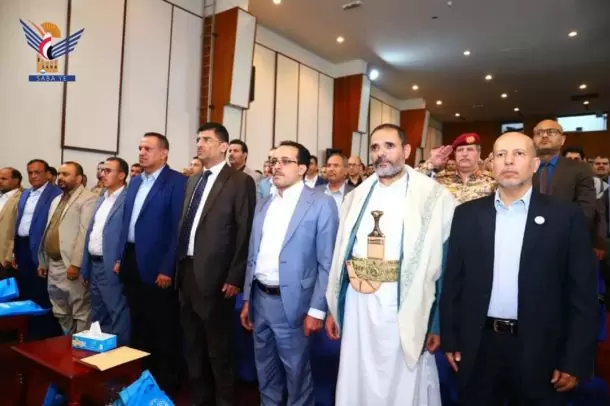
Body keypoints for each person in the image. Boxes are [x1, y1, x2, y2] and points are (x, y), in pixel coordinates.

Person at [440, 132, 599, 405]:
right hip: (479, 347)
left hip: (541, 349)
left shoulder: (565, 216)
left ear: (535, 164)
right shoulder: (467, 215)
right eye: (501, 154)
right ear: (491, 164)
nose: (509, 161)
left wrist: (575, 359)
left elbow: (582, 295)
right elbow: (454, 282)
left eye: (519, 154)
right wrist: (451, 339)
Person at [326, 123, 456, 405]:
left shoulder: (433, 197)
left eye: (389, 146)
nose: (380, 153)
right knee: (357, 375)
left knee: (402, 380)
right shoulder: (356, 197)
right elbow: (340, 257)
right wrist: (334, 308)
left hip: (406, 305)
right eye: (375, 147)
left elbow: (443, 265)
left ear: (406, 150)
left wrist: (435, 322)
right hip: (359, 307)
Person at [241, 141, 339, 405]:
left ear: (303, 169)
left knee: (297, 373)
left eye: (285, 161)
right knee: (265, 370)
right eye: (274, 161)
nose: (277, 167)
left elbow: (327, 262)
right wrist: (248, 299)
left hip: (295, 305)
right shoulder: (264, 203)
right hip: (260, 299)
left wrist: (317, 310)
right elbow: (253, 254)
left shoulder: (321, 204)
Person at [177, 123, 256, 406]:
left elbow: (244, 231)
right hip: (187, 272)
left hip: (217, 277)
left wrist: (235, 276)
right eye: (198, 139)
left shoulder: (239, 181)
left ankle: (224, 400)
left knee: (218, 348)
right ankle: (200, 398)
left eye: (207, 140)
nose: (199, 144)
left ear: (223, 146)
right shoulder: (193, 181)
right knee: (193, 345)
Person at [117, 132, 187, 394]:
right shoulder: (135, 182)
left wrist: (167, 268)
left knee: (163, 327)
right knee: (138, 323)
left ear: (164, 153)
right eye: (140, 148)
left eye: (148, 148)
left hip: (159, 266)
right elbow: (127, 222)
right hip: (132, 260)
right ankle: (141, 379)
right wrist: (120, 257)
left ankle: (166, 382)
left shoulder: (176, 182)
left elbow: (177, 229)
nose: (142, 152)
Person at [38, 162, 97, 334]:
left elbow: (84, 234)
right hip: (53, 263)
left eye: (66, 174)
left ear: (79, 178)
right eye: (59, 174)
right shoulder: (57, 199)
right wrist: (43, 261)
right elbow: (49, 229)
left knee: (80, 309)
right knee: (59, 310)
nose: (61, 178)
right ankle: (69, 340)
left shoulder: (88, 199)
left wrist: (76, 264)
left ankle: (80, 345)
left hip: (71, 264)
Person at [81, 157, 130, 345]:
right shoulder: (102, 197)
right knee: (98, 312)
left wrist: (120, 260)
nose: (102, 174)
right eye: (102, 170)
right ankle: (102, 351)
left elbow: (127, 234)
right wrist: (86, 266)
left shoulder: (127, 199)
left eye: (108, 171)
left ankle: (120, 355)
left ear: (122, 175)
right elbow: (92, 232)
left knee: (117, 312)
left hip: (111, 265)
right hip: (94, 264)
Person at [14, 159, 63, 338]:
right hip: (22, 246)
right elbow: (19, 221)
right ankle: (26, 331)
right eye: (30, 172)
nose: (33, 176)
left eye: (37, 172)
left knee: (41, 292)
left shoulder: (56, 194)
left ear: (47, 174)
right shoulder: (26, 194)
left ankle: (43, 334)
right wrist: (14, 251)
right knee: (25, 289)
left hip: (41, 249)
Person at [532, 119, 596, 228]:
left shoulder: (580, 169)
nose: (544, 135)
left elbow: (586, 208)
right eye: (539, 133)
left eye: (551, 132)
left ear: (562, 140)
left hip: (566, 231)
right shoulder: (523, 168)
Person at [0, 168, 23, 278]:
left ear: (16, 180)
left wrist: (12, 254)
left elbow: (17, 228)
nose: (0, 181)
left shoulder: (22, 198)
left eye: (3, 178)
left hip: (6, 256)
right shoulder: (2, 196)